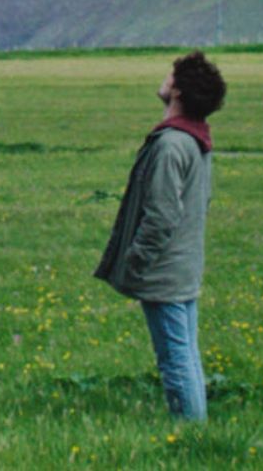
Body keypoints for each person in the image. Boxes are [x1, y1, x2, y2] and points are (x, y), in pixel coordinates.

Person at [93, 49, 226, 421]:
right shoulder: (195, 141)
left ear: (179, 91)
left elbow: (161, 216)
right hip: (183, 265)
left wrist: (135, 263)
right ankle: (196, 433)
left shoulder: (171, 145)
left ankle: (190, 438)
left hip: (165, 270)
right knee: (186, 353)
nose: (164, 78)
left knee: (175, 360)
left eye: (171, 74)